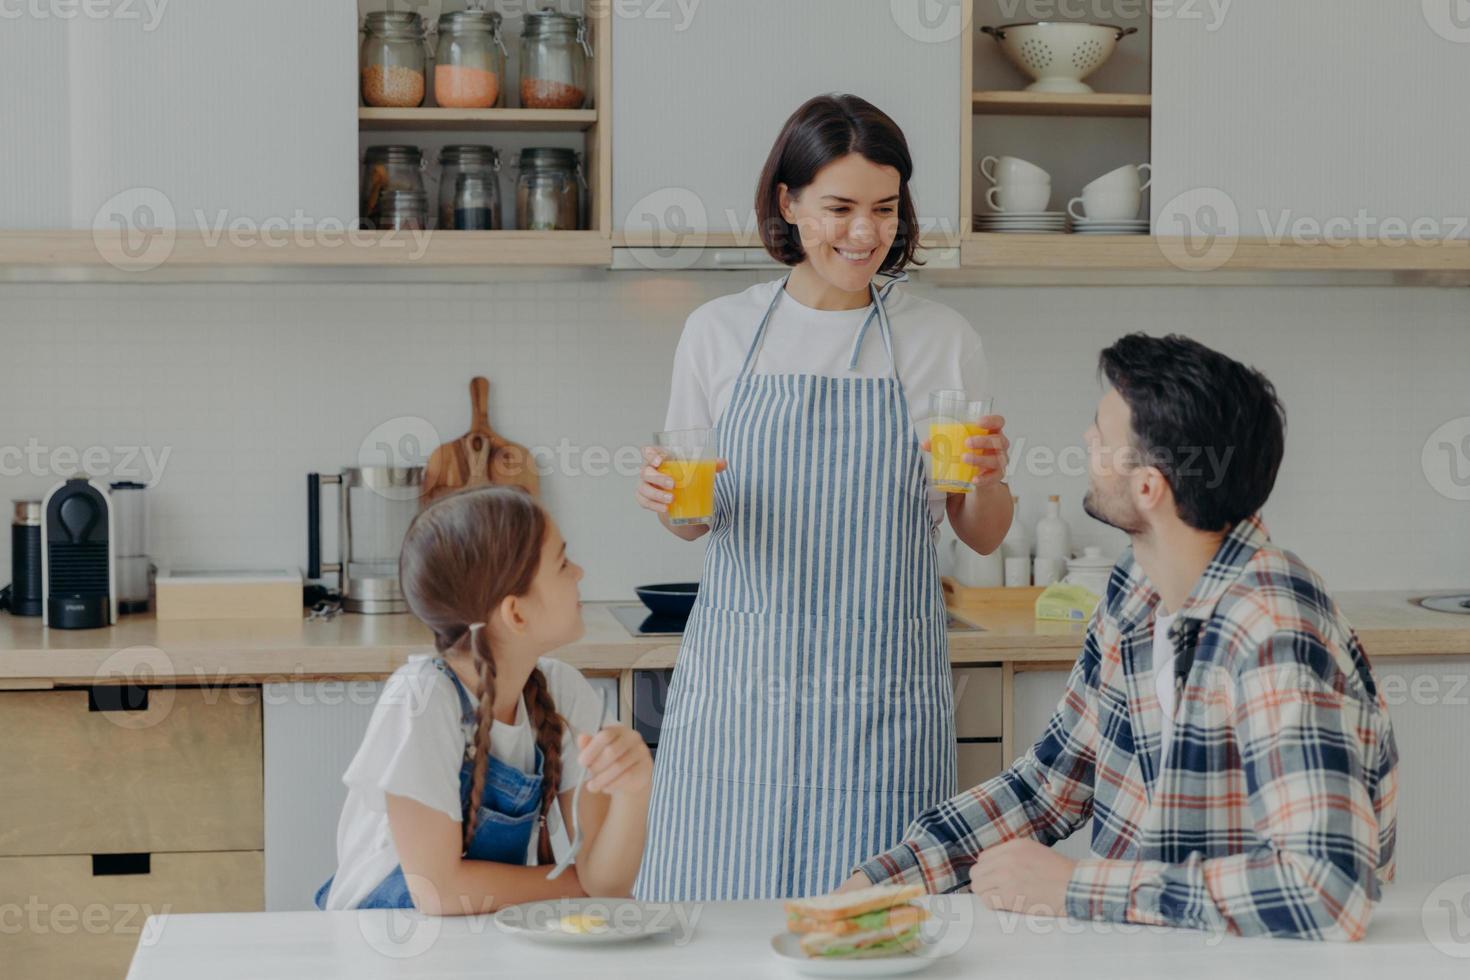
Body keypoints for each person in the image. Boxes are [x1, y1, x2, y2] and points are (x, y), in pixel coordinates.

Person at [839, 333, 1399, 942]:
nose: (1085, 441)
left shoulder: (1273, 625)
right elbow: (1050, 783)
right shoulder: (1137, 590)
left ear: (1148, 489)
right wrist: (888, 877)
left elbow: (1326, 887)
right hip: (1147, 951)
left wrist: (1073, 887)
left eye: (1102, 436)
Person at [633, 93, 1013, 901]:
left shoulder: (941, 340)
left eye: (885, 208)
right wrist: (669, 497)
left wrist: (988, 479)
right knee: (718, 928)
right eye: (840, 207)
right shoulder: (718, 332)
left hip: (881, 698)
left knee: (873, 926)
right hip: (740, 698)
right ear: (788, 202)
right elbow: (694, 520)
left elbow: (979, 533)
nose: (865, 233)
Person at [314, 486, 653, 913]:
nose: (580, 572)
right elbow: (437, 891)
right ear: (516, 614)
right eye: (563, 563)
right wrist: (575, 886)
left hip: (473, 930)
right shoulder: (422, 699)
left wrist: (635, 790)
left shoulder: (562, 689)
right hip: (383, 932)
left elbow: (606, 882)